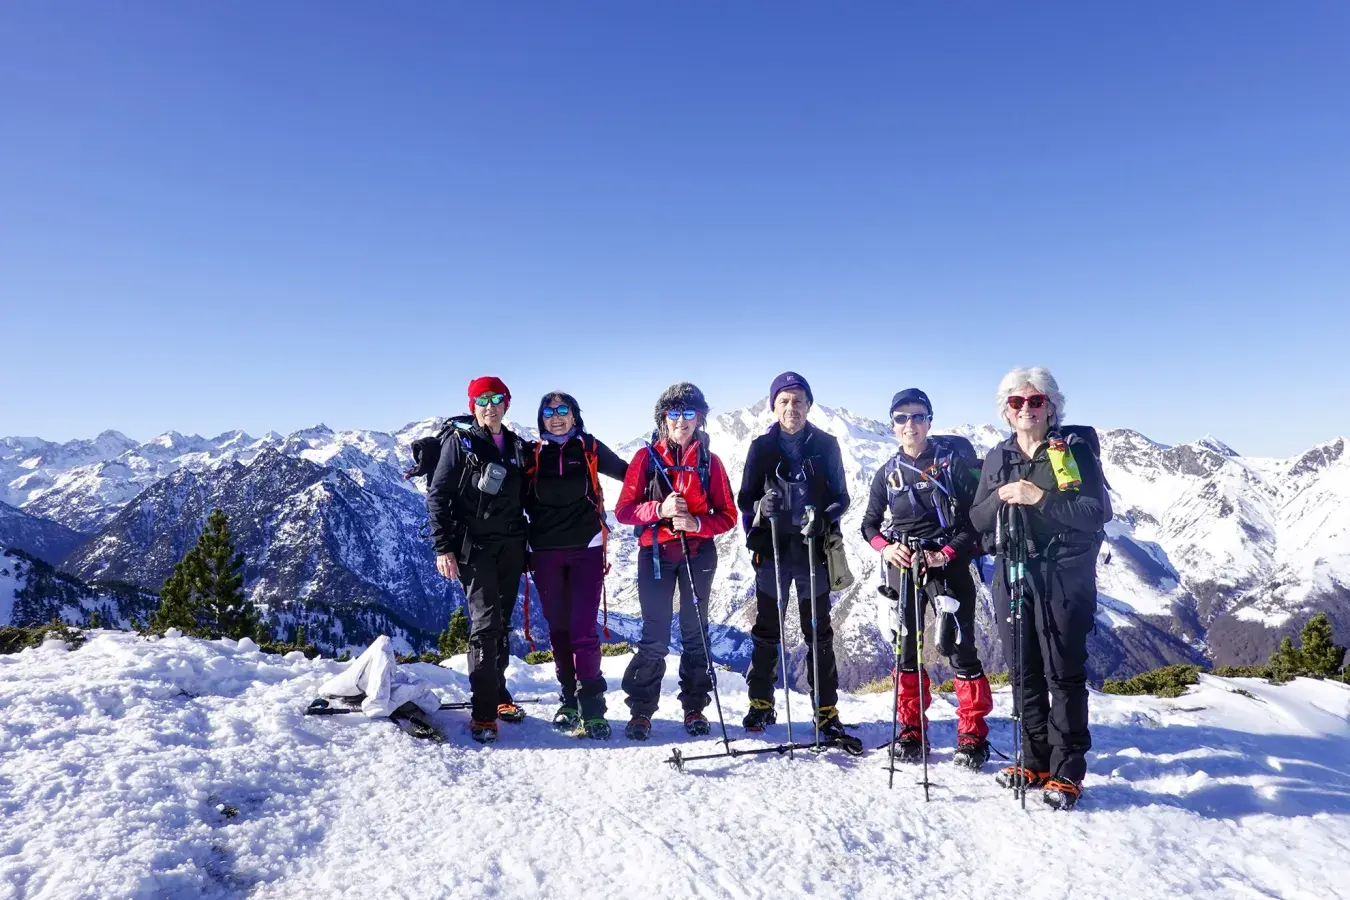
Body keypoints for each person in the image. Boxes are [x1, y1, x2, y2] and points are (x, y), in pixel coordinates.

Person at [969, 367, 1111, 809]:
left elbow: (1095, 512)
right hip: (1012, 572)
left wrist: (1039, 498)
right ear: (1006, 411)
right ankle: (1034, 760)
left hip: (1064, 574)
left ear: (1051, 407)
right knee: (1022, 668)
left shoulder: (1071, 450)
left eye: (1036, 401)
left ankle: (1067, 769)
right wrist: (1001, 496)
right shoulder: (998, 458)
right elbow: (976, 520)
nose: (1026, 408)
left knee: (1063, 670)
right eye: (1017, 402)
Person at [861, 388, 993, 768]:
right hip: (902, 564)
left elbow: (974, 522)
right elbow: (868, 525)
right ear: (893, 425)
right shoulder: (887, 474)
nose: (910, 424)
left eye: (918, 416)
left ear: (929, 421)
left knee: (959, 646)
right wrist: (886, 549)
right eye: (901, 418)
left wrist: (945, 553)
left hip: (947, 562)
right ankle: (911, 730)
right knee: (905, 649)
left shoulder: (952, 465)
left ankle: (972, 736)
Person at [613, 382, 737, 741]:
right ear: (663, 418)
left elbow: (728, 515)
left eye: (689, 413)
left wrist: (698, 524)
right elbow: (623, 510)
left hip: (698, 554)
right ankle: (641, 711)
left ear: (699, 418)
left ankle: (695, 707)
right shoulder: (645, 459)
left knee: (695, 631)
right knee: (655, 634)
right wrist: (659, 509)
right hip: (656, 555)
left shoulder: (710, 462)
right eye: (674, 413)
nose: (681, 420)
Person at [736, 372, 852, 741]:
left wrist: (824, 516)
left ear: (809, 405)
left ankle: (825, 710)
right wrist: (761, 506)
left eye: (798, 400)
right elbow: (744, 499)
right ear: (773, 406)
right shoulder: (760, 448)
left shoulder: (827, 445)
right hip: (770, 550)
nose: (791, 408)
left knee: (818, 631)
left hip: (812, 551)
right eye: (784, 401)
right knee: (767, 629)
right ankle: (761, 704)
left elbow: (842, 498)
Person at [427, 376, 533, 745]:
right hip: (474, 549)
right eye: (482, 400)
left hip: (512, 547)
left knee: (501, 624)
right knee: (486, 625)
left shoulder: (517, 445)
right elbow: (438, 496)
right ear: (473, 406)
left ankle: (499, 694)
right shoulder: (461, 444)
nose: (490, 406)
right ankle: (483, 712)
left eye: (496, 398)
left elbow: (526, 499)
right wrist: (443, 547)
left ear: (507, 403)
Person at [524, 391, 629, 740]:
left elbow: (629, 474)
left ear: (574, 415)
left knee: (583, 630)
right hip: (544, 551)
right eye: (549, 411)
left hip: (587, 547)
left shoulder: (589, 448)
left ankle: (593, 707)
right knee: (558, 630)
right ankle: (568, 700)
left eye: (563, 410)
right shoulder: (531, 453)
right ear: (541, 417)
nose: (556, 416)